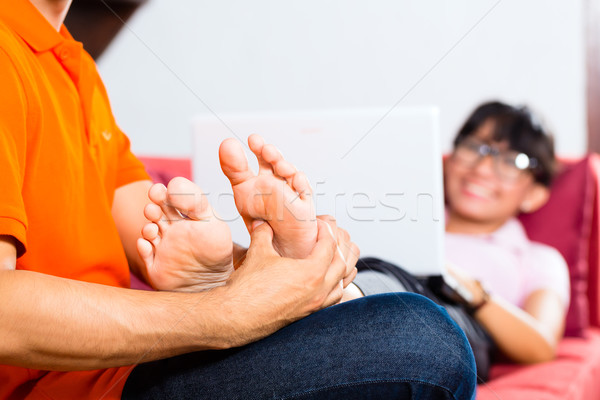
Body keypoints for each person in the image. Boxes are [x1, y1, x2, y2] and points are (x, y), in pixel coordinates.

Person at [0, 0, 477, 398]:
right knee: (422, 342)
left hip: (124, 369)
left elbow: (147, 226)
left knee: (390, 308)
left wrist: (264, 267)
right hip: (65, 389)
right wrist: (230, 312)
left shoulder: (72, 64)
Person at [349, 101, 569, 373]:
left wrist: (470, 291)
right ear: (450, 159)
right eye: (475, 147)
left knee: (412, 310)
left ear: (534, 194)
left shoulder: (539, 258)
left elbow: (542, 344)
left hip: (456, 323)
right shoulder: (399, 220)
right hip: (371, 288)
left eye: (512, 161)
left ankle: (340, 303)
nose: (483, 168)